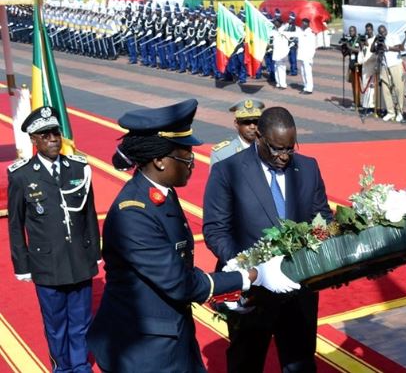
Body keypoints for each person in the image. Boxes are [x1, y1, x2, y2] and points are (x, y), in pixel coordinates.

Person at [86, 99, 299, 373]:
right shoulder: (134, 214)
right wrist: (251, 276)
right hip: (143, 349)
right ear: (160, 161)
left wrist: (229, 290)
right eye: (185, 154)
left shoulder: (161, 194)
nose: (192, 162)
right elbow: (179, 281)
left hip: (171, 333)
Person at [203, 107, 333, 373]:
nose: (284, 157)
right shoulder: (228, 170)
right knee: (246, 362)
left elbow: (322, 219)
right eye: (276, 149)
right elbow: (216, 230)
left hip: (299, 289)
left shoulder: (308, 167)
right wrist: (248, 268)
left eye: (290, 149)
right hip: (252, 292)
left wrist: (321, 243)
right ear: (259, 138)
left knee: (301, 363)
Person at [8, 106, 101, 373]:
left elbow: (89, 214)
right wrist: (22, 265)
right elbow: (16, 226)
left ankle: (81, 366)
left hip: (79, 259)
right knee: (56, 324)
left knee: (82, 320)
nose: (52, 139)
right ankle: (62, 368)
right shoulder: (22, 175)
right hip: (46, 263)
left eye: (55, 133)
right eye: (44, 134)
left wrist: (94, 251)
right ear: (34, 140)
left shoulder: (79, 168)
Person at [210, 98, 265, 168]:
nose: (252, 126)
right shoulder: (222, 154)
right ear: (236, 124)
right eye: (247, 122)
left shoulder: (268, 149)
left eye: (256, 122)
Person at [373, 25, 406, 122]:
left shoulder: (393, 36)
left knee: (398, 88)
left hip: (395, 64)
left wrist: (387, 47)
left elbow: (399, 48)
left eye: (383, 31)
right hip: (384, 65)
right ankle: (390, 112)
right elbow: (374, 50)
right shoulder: (379, 39)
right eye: (380, 32)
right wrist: (376, 41)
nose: (382, 33)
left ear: (386, 30)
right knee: (385, 88)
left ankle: (399, 112)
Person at [290, 18, 317, 94]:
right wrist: (282, 33)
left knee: (308, 73)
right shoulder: (300, 31)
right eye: (302, 23)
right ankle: (305, 87)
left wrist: (310, 57)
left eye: (304, 23)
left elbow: (313, 46)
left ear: (308, 24)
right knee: (303, 72)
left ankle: (309, 89)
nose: (302, 25)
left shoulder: (311, 33)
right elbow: (292, 34)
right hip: (301, 55)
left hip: (307, 56)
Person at [340, 25, 362, 109]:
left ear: (355, 31)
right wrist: (344, 47)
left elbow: (360, 50)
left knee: (360, 85)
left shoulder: (359, 39)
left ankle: (360, 103)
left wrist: (349, 47)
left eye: (352, 31)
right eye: (350, 31)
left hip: (359, 65)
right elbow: (345, 54)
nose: (351, 32)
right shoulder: (349, 41)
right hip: (352, 65)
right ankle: (356, 102)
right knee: (354, 85)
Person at [357, 23, 377, 114]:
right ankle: (365, 106)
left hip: (373, 66)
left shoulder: (375, 39)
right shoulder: (364, 41)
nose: (368, 31)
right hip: (365, 68)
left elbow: (374, 55)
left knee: (372, 88)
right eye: (367, 30)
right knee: (365, 87)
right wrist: (361, 47)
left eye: (369, 29)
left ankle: (372, 107)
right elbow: (360, 59)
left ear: (372, 29)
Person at [271, 18, 291, 90]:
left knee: (281, 69)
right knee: (276, 68)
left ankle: (283, 85)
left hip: (282, 53)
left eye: (276, 22)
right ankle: (278, 83)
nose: (274, 23)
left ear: (280, 23)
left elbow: (290, 38)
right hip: (276, 52)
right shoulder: (275, 30)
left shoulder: (284, 30)